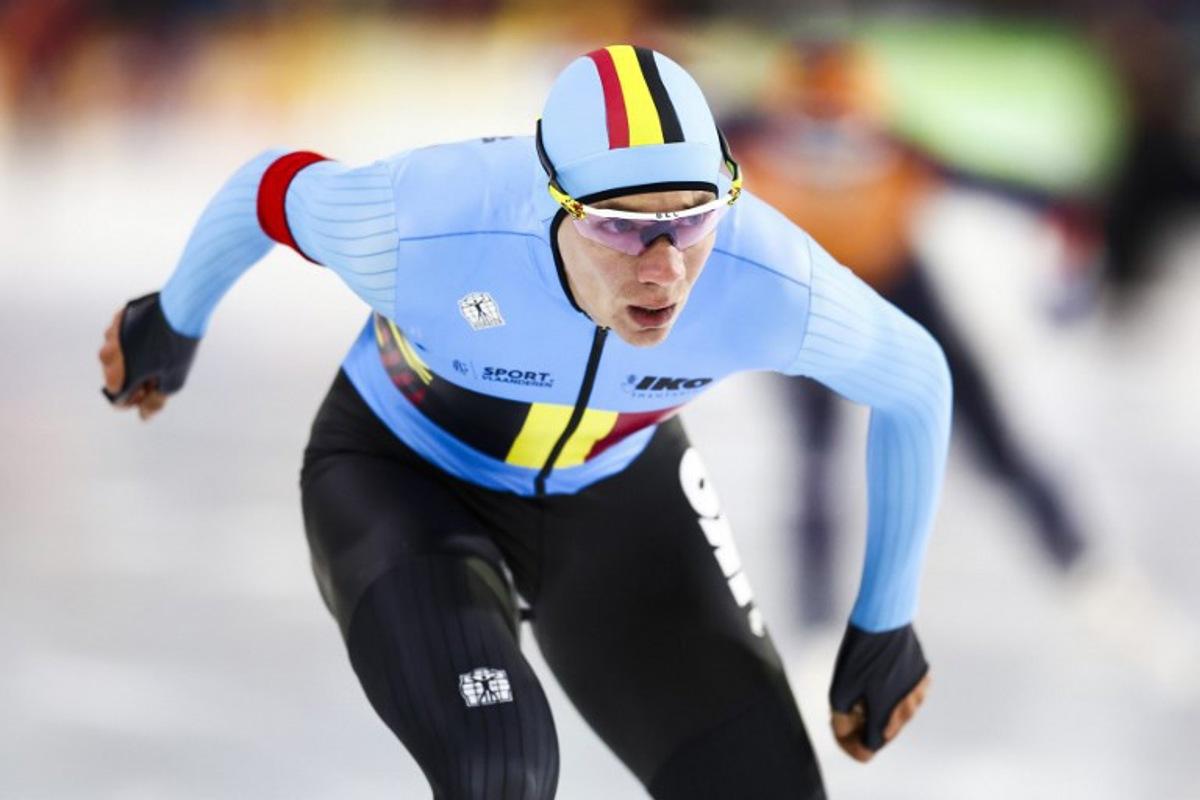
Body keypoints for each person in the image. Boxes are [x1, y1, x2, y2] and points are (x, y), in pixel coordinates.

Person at [98, 45, 949, 800]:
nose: (665, 267)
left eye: (691, 218)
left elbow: (917, 380)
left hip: (615, 493)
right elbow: (268, 189)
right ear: (554, 201)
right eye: (621, 226)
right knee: (499, 769)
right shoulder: (428, 223)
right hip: (407, 476)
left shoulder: (763, 273)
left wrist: (885, 620)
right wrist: (171, 321)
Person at [726, 39, 1086, 625]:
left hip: (900, 289)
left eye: (845, 129)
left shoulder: (904, 154)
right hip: (809, 299)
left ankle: (1076, 559)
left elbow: (1021, 195)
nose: (828, 146)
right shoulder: (739, 140)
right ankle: (814, 614)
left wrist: (1068, 231)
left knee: (989, 432)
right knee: (815, 458)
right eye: (811, 129)